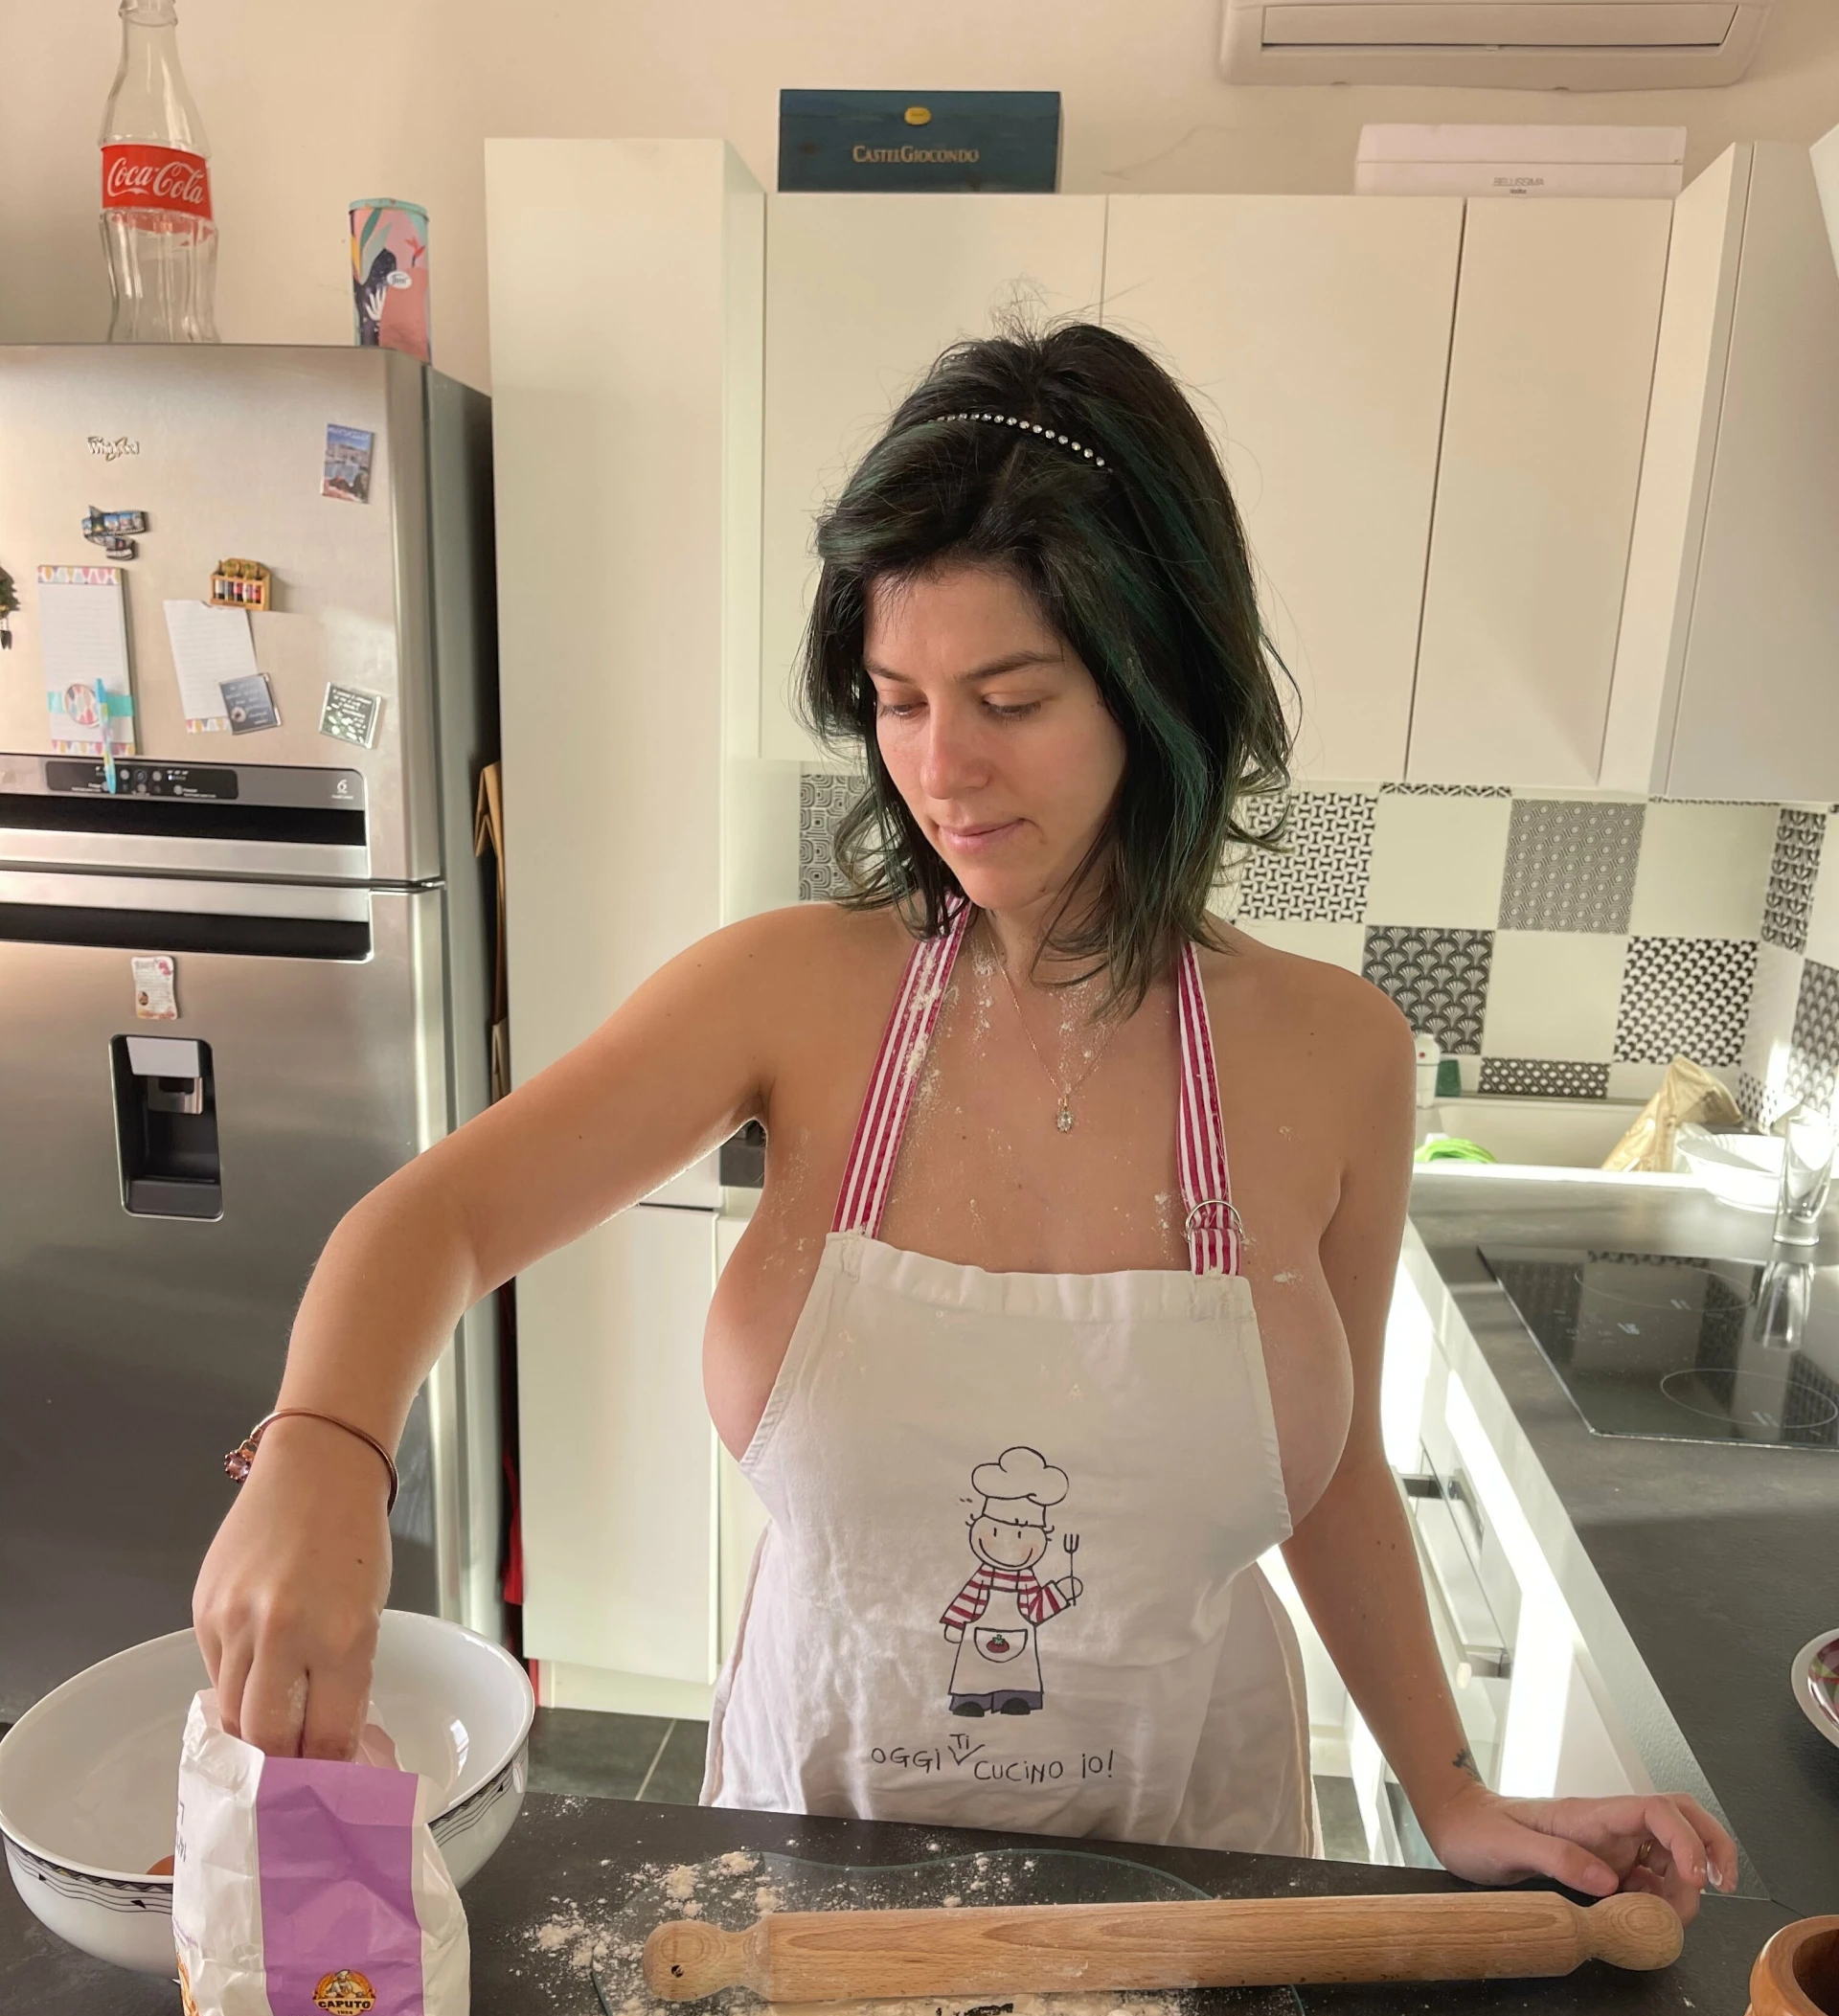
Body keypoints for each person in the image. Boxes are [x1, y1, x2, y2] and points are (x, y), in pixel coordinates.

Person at [193, 320, 1736, 1919]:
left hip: (1192, 1877)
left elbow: (1333, 1475)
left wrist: (1452, 1791)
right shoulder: (790, 995)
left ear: (1160, 683)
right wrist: (323, 1450)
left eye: (1012, 698)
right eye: (899, 700)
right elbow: (438, 1220)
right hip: (811, 1861)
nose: (943, 770)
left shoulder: (1333, 1054)